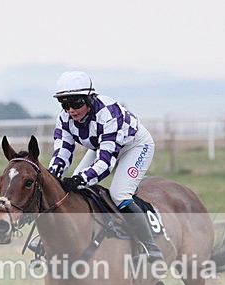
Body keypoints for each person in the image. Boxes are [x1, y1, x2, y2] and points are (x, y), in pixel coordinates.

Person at [47, 71, 163, 262]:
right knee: (77, 189)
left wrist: (79, 179)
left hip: (134, 146)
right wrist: (51, 178)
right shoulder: (64, 119)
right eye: (65, 104)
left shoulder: (108, 113)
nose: (71, 110)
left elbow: (106, 163)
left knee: (119, 194)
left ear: (90, 98)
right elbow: (62, 153)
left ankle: (150, 247)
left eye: (76, 103)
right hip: (101, 145)